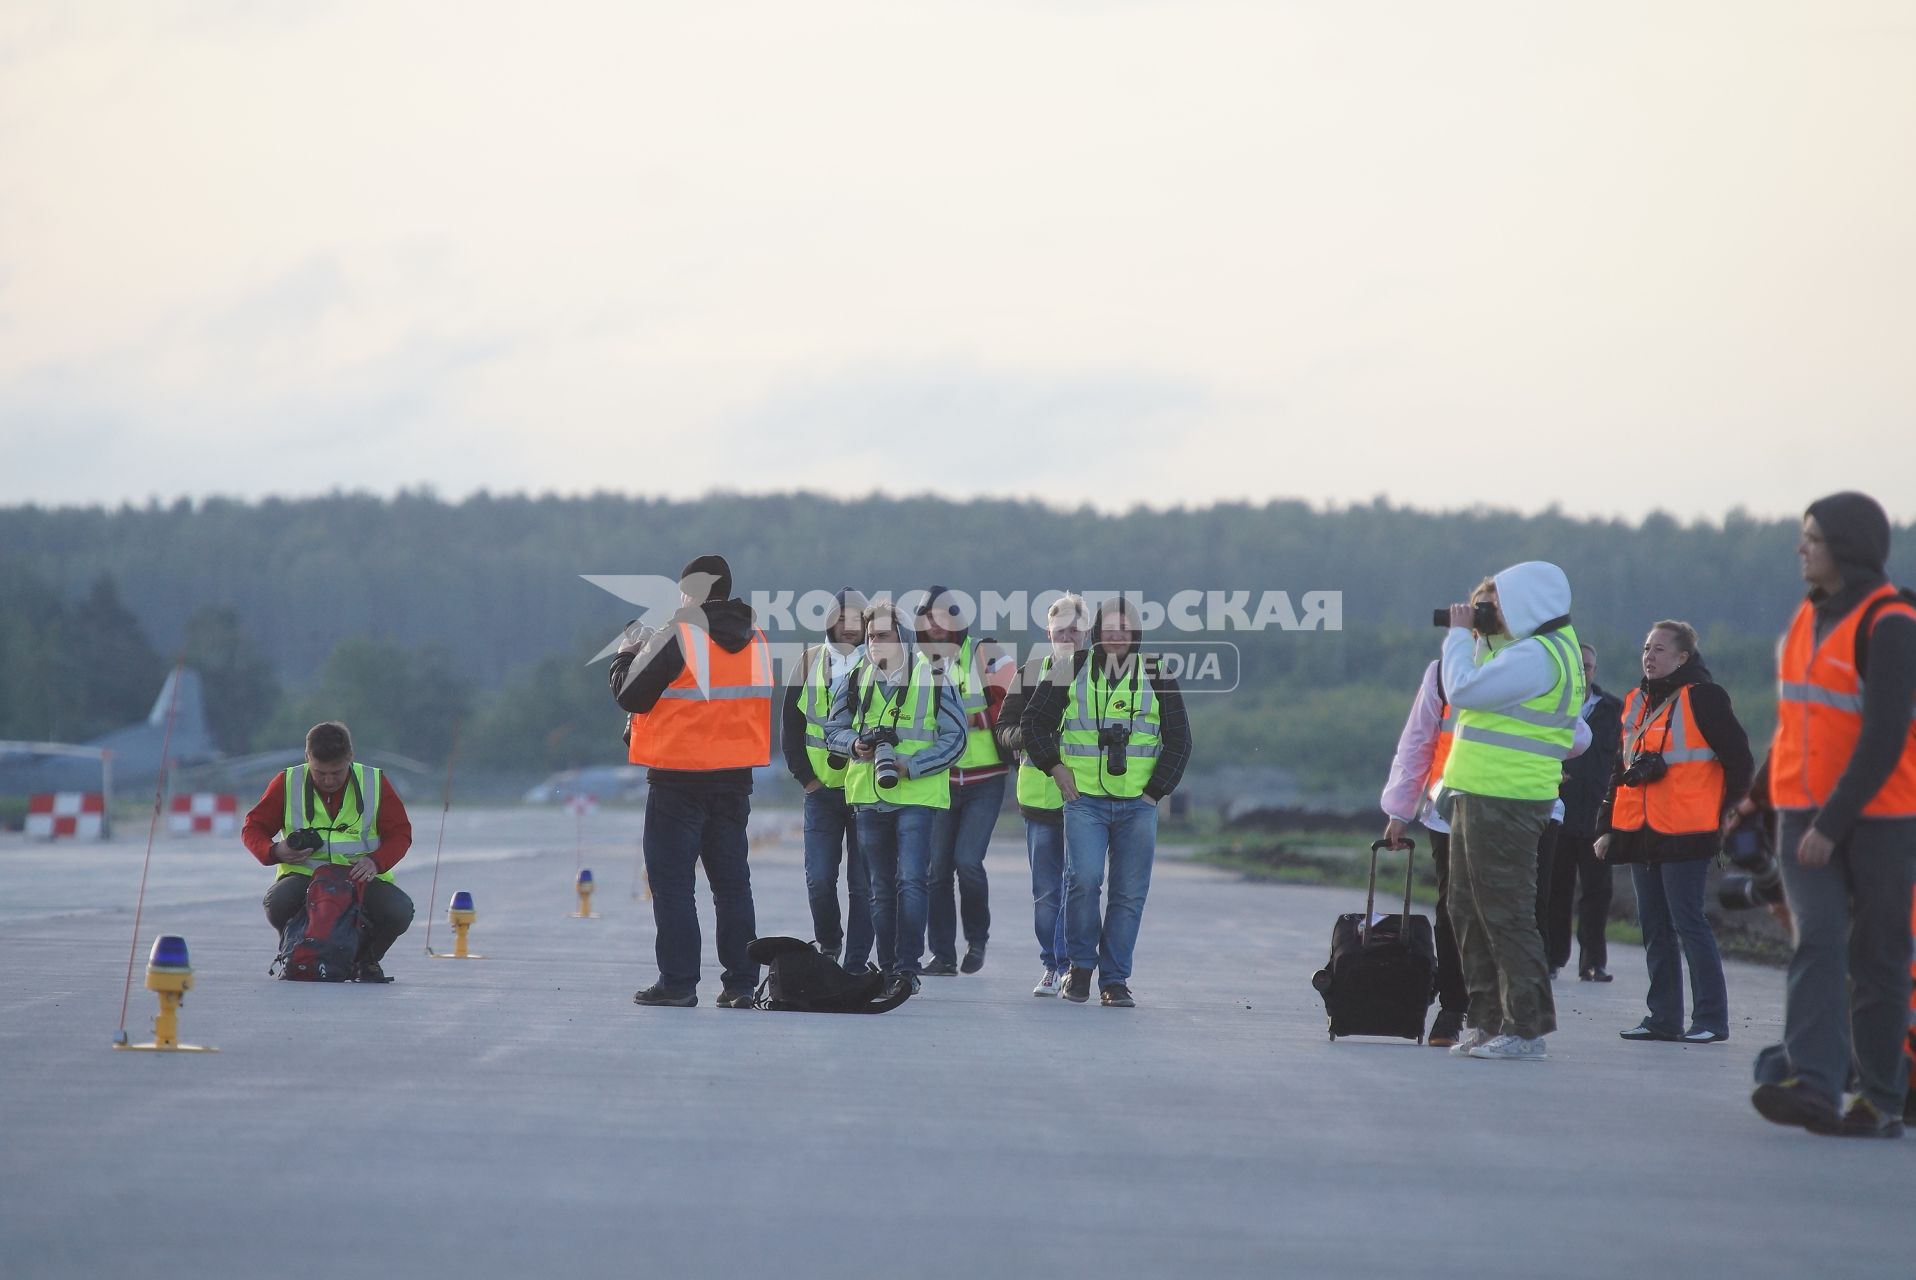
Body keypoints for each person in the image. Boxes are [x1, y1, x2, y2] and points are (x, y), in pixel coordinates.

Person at [1741, 493, 1916, 1138]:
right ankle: (1813, 1085)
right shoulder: (1807, 617)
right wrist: (1758, 797)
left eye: (1811, 537)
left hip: (1878, 819)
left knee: (1878, 957)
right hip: (1800, 812)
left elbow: (1885, 736)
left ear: (1846, 547)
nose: (1801, 548)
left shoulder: (1890, 623)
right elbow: (1798, 724)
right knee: (1816, 938)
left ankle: (1880, 1101)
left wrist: (1832, 824)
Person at [1436, 564, 1589, 1062]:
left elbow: (1462, 690)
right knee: (1467, 911)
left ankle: (1525, 1029)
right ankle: (1485, 1020)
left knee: (1505, 914)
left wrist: (1459, 637)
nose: (1492, 610)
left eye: (1499, 602)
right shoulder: (1537, 650)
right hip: (1479, 793)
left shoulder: (1539, 656)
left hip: (1507, 799)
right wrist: (1483, 636)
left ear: (1527, 602)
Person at [612, 555, 774, 1009]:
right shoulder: (756, 639)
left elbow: (630, 694)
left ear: (690, 593)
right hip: (734, 780)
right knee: (732, 885)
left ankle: (679, 982)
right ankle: (741, 983)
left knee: (673, 884)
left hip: (678, 780)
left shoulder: (679, 635)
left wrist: (627, 653)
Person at [1021, 597, 1192, 1007]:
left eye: (1125, 629)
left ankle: (1114, 980)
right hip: (1085, 801)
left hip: (1138, 804)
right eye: (1110, 628)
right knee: (1082, 880)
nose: (1117, 636)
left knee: (1129, 893)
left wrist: (1155, 792)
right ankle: (1080, 968)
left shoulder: (1156, 673)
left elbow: (1180, 741)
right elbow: (1033, 723)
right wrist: (1054, 768)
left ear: (1135, 634)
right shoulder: (1072, 668)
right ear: (1097, 632)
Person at [1595, 621, 1751, 1044]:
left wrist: (1728, 813)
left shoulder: (1704, 698)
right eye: (1646, 647)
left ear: (1683, 657)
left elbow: (1740, 760)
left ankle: (1710, 1021)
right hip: (1641, 831)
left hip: (1688, 831)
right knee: (1654, 926)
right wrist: (1607, 827)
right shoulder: (1635, 701)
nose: (1649, 655)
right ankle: (1662, 1018)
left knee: (1688, 922)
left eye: (1660, 649)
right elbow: (1618, 771)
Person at [822, 602, 967, 993]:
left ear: (902, 636)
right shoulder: (855, 679)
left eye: (883, 635)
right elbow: (831, 730)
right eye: (870, 637)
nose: (875, 643)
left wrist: (913, 765)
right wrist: (855, 744)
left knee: (911, 881)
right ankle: (887, 969)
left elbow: (958, 739)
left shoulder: (934, 676)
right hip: (869, 796)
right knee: (880, 888)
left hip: (917, 794)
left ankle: (907, 968)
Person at [242, 720, 415, 982]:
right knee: (278, 902)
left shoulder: (374, 782)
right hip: (305, 876)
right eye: (319, 772)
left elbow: (400, 833)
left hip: (359, 876)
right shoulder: (287, 782)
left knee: (399, 910)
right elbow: (253, 828)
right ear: (307, 758)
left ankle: (366, 960)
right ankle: (295, 951)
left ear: (350, 758)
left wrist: (375, 862)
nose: (328, 780)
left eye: (337, 772)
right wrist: (275, 851)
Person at [917, 586, 1012, 976]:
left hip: (985, 777)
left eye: (943, 617)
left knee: (967, 862)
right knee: (936, 869)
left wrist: (972, 721)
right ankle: (942, 954)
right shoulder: (914, 662)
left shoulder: (987, 653)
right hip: (939, 777)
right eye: (929, 618)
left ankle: (977, 938)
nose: (936, 625)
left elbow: (1014, 704)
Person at [996, 593, 1088, 997]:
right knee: (1047, 891)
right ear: (1047, 633)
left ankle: (1073, 966)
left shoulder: (1101, 674)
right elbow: (1004, 730)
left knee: (1081, 886)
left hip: (1088, 799)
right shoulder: (1031, 673)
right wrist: (1033, 738)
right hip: (1039, 799)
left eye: (1075, 629)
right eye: (1061, 630)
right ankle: (1051, 965)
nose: (1068, 636)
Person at [1380, 660, 1469, 1046]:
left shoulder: (1531, 659)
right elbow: (1418, 742)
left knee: (1514, 912)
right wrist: (1401, 810)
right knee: (1453, 909)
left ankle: (1508, 1010)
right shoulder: (1443, 671)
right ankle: (1453, 1006)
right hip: (1450, 810)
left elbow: (1574, 734)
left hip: (1518, 806)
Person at [782, 587, 872, 969]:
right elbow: (790, 728)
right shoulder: (808, 662)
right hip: (821, 793)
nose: (849, 627)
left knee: (863, 886)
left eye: (857, 620)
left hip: (867, 793)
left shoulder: (883, 664)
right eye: (842, 618)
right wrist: (807, 780)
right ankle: (830, 943)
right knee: (819, 879)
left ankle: (855, 961)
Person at [1548, 643, 1624, 980]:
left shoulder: (1613, 710)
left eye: (1588, 666)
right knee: (1556, 888)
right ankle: (1552, 957)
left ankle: (1593, 961)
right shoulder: (1549, 705)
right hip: (1557, 812)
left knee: (1597, 891)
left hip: (1597, 814)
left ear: (1595, 670)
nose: (1583, 671)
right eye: (1577, 666)